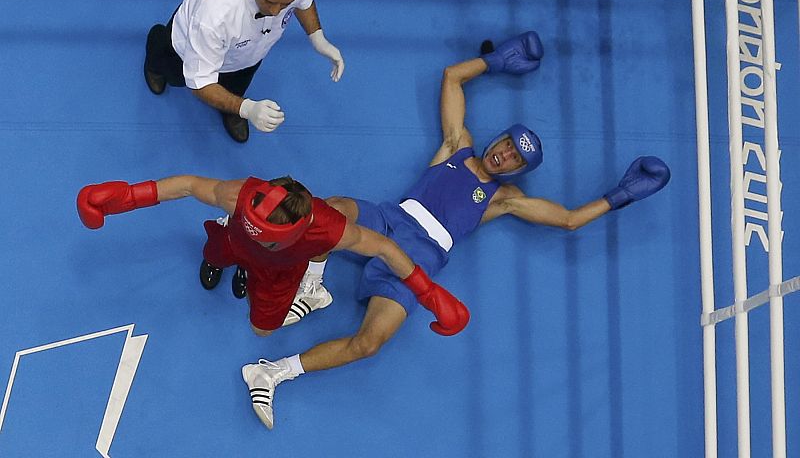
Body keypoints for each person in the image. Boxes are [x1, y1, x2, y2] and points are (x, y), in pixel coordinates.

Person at [239, 31, 671, 430]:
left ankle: (272, 372)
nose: (504, 155)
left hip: (419, 260)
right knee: (330, 209)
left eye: (515, 159)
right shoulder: (456, 145)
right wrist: (497, 61)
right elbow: (452, 77)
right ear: (498, 139)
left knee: (369, 343)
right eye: (506, 145)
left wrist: (621, 195)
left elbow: (569, 219)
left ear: (517, 171)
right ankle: (312, 284)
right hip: (391, 218)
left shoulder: (503, 199)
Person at [76, 175, 469, 345]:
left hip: (279, 274)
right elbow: (188, 185)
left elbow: (385, 247)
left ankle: (249, 271)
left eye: (264, 235)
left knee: (263, 331)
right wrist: (127, 197)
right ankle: (227, 253)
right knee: (214, 253)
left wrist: (427, 292)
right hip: (232, 242)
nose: (259, 235)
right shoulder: (240, 195)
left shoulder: (328, 228)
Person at [143, 0, 344, 143]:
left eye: (285, 4)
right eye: (269, 1)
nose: (276, 12)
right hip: (187, 45)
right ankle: (155, 57)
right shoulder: (213, 16)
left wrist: (317, 37)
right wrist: (247, 108)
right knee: (174, 74)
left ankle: (232, 110)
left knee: (238, 85)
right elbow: (199, 82)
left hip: (248, 54)